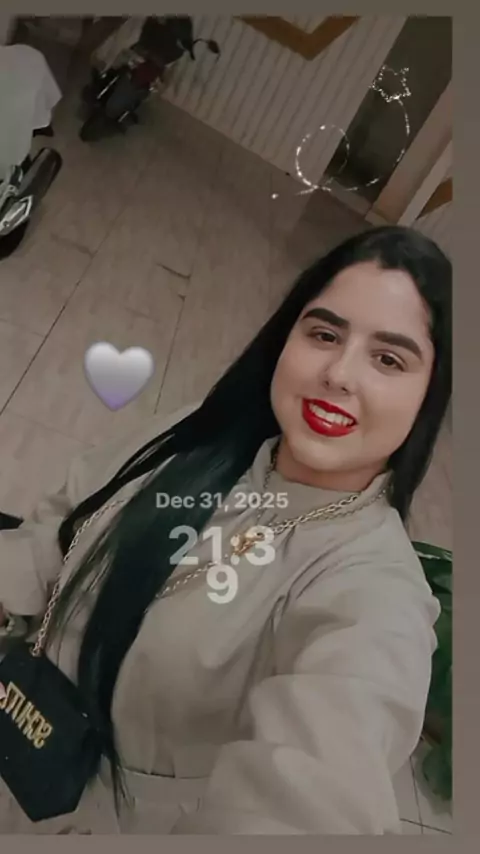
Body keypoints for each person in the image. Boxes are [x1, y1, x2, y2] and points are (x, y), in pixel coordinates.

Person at [0, 225, 451, 835]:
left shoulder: (375, 591)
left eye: (389, 359)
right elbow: (66, 521)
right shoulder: (203, 430)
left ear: (429, 396)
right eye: (324, 334)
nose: (340, 373)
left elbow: (319, 781)